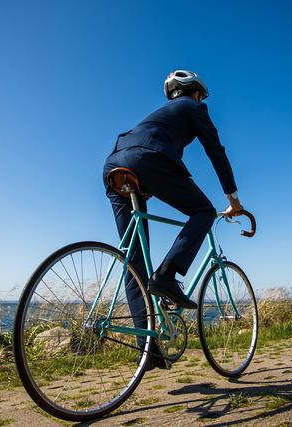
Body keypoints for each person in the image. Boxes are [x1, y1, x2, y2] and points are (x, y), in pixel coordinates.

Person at [102, 70, 243, 368]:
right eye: (201, 96)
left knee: (134, 260)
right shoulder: (194, 108)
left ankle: (149, 350)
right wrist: (233, 200)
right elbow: (216, 151)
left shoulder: (160, 115)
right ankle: (167, 277)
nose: (201, 100)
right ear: (195, 93)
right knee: (203, 211)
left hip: (115, 163)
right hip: (147, 157)